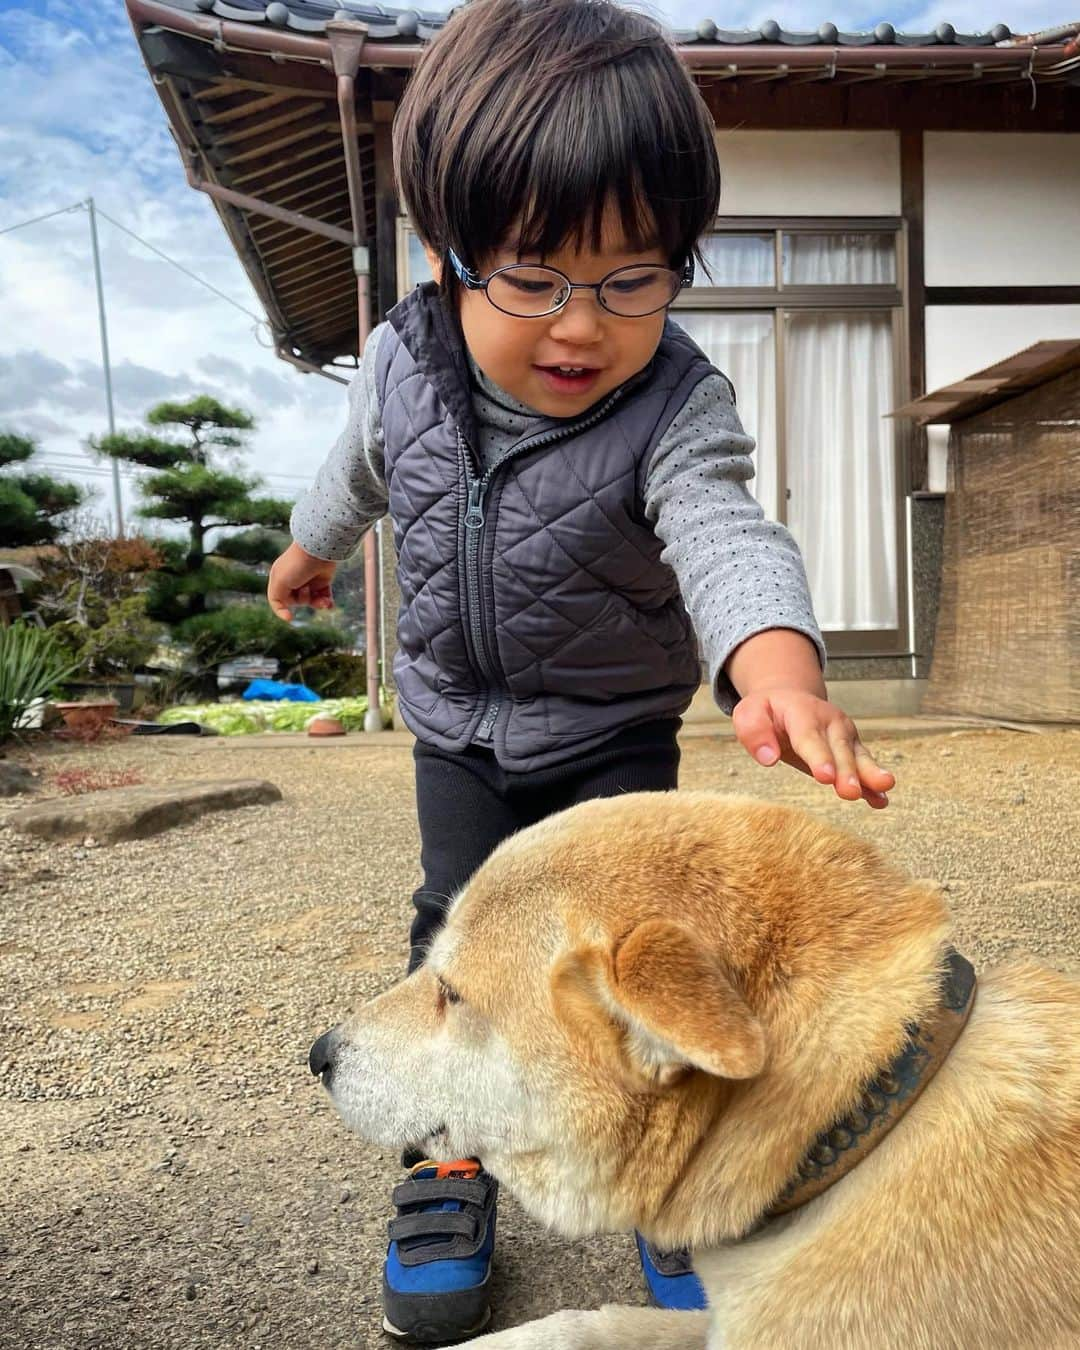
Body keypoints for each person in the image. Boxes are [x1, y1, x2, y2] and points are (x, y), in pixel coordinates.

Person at [268, 0, 896, 1338]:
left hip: (613, 728)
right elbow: (353, 474)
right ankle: (451, 1147)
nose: (582, 322)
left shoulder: (678, 404)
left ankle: (673, 1174)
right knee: (459, 926)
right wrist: (307, 550)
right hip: (457, 724)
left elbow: (726, 525)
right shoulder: (401, 366)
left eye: (632, 276)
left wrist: (771, 664)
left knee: (637, 962)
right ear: (449, 253)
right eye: (537, 272)